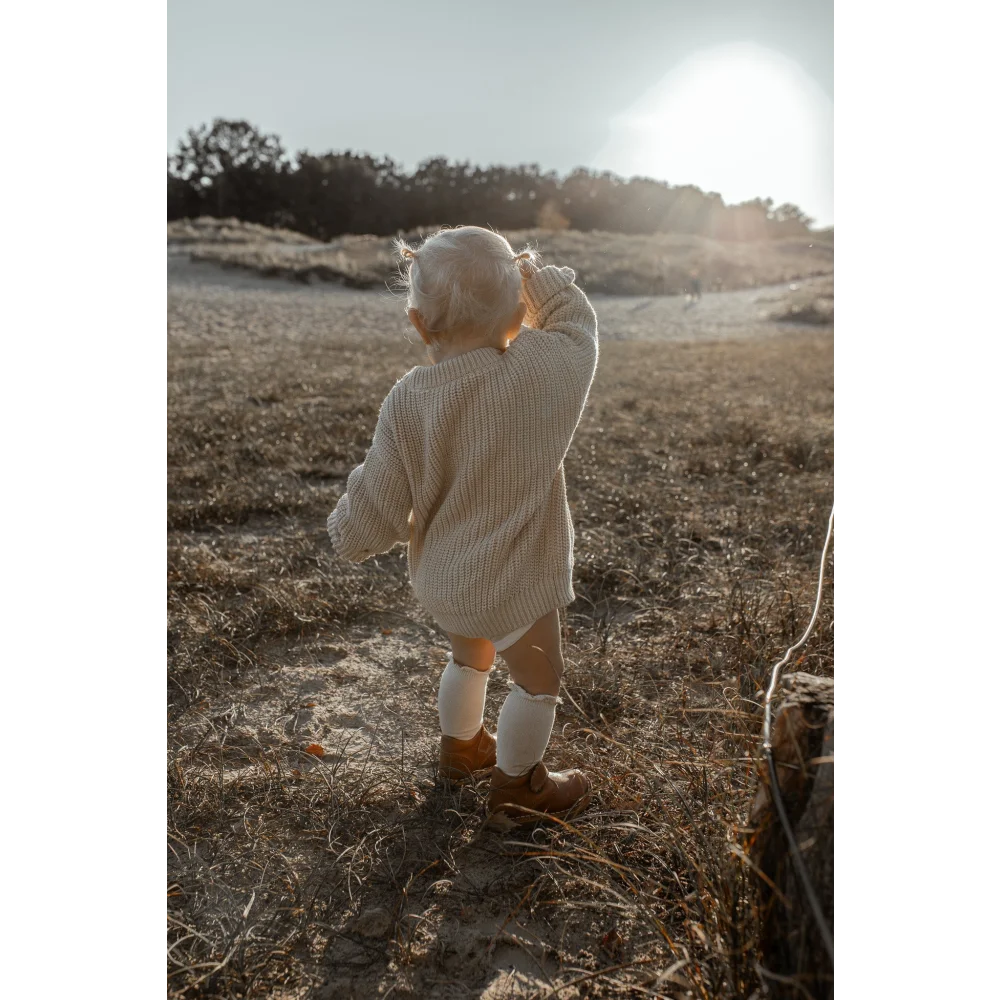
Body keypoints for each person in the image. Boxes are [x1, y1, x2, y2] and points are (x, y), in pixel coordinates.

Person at [326, 226, 598, 826]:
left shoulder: (409, 396)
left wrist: (349, 530)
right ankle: (518, 789)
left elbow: (378, 494)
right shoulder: (537, 371)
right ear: (518, 313)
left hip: (444, 581)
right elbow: (579, 331)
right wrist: (540, 282)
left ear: (418, 323)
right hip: (514, 581)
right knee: (538, 682)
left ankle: (460, 747)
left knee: (470, 659)